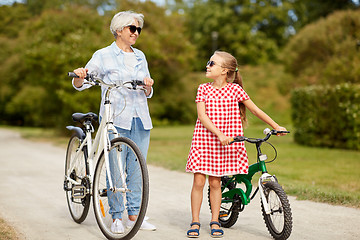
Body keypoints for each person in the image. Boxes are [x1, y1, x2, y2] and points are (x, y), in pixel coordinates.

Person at [185, 50, 287, 238]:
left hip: (225, 142)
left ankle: (215, 220)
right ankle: (195, 221)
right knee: (199, 181)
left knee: (215, 182)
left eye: (212, 63)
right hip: (205, 139)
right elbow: (202, 116)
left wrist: (275, 125)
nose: (207, 65)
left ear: (224, 70)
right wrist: (219, 134)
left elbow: (255, 110)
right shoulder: (203, 89)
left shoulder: (236, 90)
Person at [72, 11, 156, 233]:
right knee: (115, 169)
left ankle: (134, 215)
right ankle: (116, 216)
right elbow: (83, 82)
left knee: (137, 168)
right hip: (115, 116)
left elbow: (148, 91)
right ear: (119, 30)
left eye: (138, 29)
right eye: (132, 28)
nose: (136, 33)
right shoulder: (103, 55)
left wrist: (148, 85)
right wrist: (80, 75)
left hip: (140, 118)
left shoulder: (141, 56)